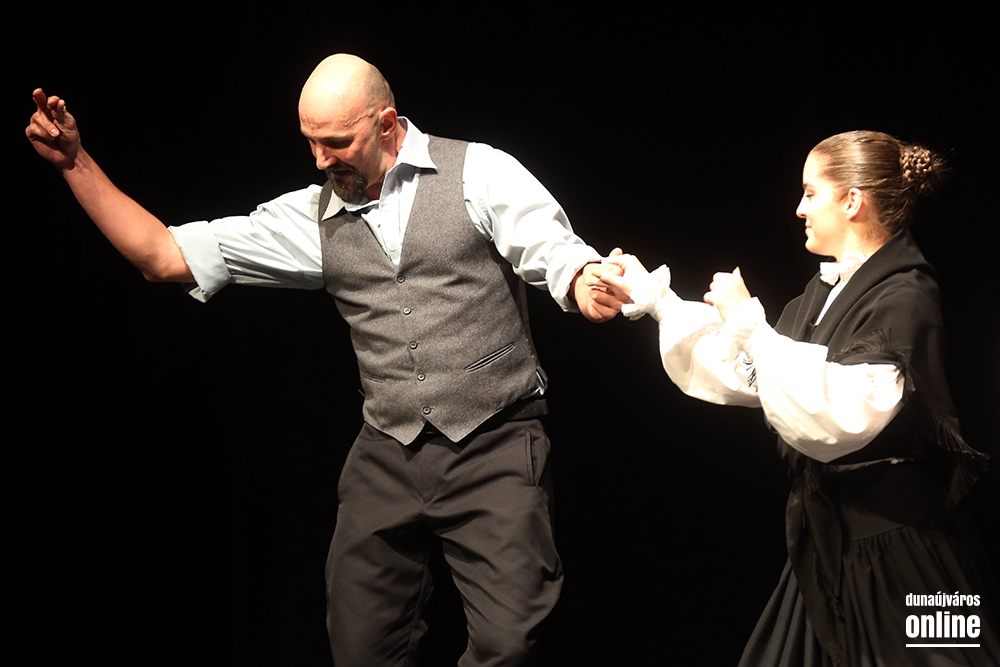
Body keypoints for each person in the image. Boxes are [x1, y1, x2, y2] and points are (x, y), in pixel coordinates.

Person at [26, 54, 626, 666]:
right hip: (387, 454)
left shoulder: (478, 172)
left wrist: (582, 280)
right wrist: (75, 163)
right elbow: (161, 255)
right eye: (310, 142)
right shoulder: (313, 218)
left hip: (493, 440)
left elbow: (552, 248)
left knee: (510, 642)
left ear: (386, 124)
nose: (319, 160)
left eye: (336, 143)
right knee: (362, 647)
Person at [595, 131, 998, 666]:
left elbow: (843, 413)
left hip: (902, 546)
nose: (799, 209)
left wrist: (750, 324)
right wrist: (659, 302)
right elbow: (755, 376)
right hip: (832, 545)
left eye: (811, 193)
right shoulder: (824, 293)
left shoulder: (905, 294)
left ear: (851, 201)